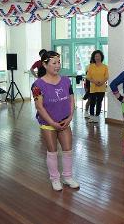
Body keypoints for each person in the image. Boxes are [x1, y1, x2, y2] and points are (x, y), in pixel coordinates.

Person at [31, 51, 79, 191]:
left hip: (65, 122)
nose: (58, 65)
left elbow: (71, 100)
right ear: (45, 65)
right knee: (52, 152)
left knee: (68, 150)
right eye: (54, 63)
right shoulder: (37, 85)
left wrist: (70, 117)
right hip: (48, 124)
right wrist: (52, 123)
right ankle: (55, 179)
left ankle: (68, 177)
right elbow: (39, 107)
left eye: (59, 62)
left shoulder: (66, 81)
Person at [86, 50, 109, 124]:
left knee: (99, 102)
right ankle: (92, 117)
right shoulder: (91, 66)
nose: (97, 57)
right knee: (92, 103)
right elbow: (88, 77)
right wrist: (95, 82)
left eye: (98, 56)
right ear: (94, 57)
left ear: (101, 57)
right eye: (96, 56)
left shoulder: (105, 67)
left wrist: (101, 82)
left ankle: (97, 117)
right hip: (93, 87)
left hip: (101, 87)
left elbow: (106, 76)